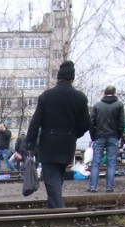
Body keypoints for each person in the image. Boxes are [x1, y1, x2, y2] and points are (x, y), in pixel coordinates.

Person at [24, 60, 90, 209]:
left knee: (51, 178)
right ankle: (53, 207)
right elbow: (86, 124)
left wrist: (30, 143)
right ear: (72, 78)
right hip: (68, 143)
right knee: (57, 176)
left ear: (58, 77)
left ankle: (59, 211)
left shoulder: (47, 96)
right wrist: (74, 134)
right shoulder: (80, 97)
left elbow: (35, 122)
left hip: (49, 143)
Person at [88, 85, 125, 193]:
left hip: (99, 136)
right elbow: (121, 123)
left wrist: (93, 136)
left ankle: (93, 186)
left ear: (104, 93)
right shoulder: (119, 105)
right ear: (115, 93)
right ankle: (109, 187)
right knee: (111, 162)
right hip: (113, 136)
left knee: (96, 162)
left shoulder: (97, 105)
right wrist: (118, 135)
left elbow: (91, 123)